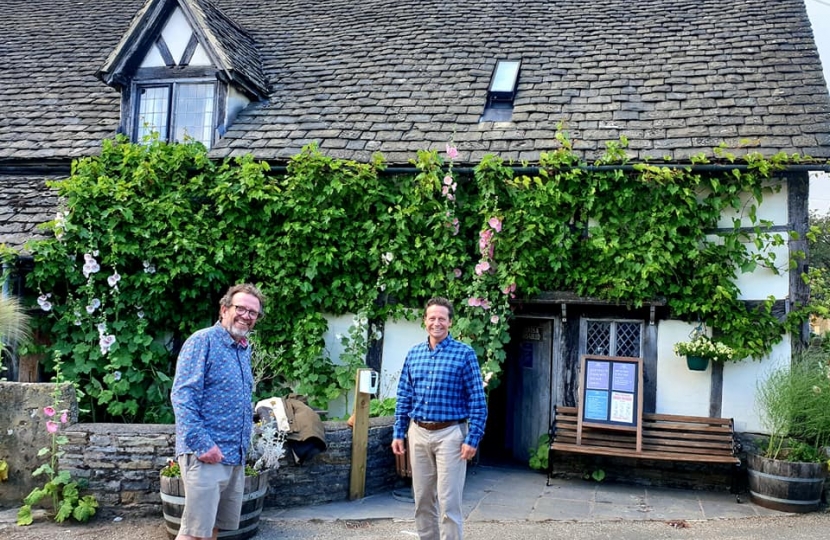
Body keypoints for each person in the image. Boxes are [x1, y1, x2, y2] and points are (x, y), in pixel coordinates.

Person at [170, 283, 265, 540]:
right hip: (206, 454)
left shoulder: (243, 348)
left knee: (212, 529)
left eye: (253, 312)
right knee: (194, 533)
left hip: (233, 455)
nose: (246, 316)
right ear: (224, 309)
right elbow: (183, 396)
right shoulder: (203, 341)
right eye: (240, 309)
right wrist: (203, 445)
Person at [391, 297, 488, 540]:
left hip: (450, 435)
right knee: (422, 499)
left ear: (450, 322)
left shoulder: (464, 354)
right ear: (425, 321)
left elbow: (477, 399)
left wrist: (473, 438)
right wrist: (398, 432)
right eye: (432, 318)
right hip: (418, 433)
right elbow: (404, 395)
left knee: (449, 502)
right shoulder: (414, 354)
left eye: (442, 318)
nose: (437, 323)